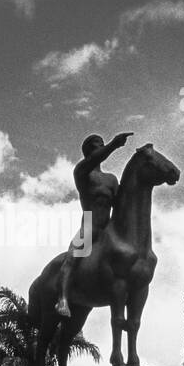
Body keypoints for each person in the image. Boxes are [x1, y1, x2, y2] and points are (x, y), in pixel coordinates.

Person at [55, 131, 133, 317]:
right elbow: (100, 155)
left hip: (109, 227)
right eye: (96, 144)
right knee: (72, 257)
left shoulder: (111, 180)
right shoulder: (82, 172)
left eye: (101, 143)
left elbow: (122, 205)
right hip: (89, 225)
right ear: (88, 151)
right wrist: (114, 144)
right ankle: (62, 299)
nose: (100, 145)